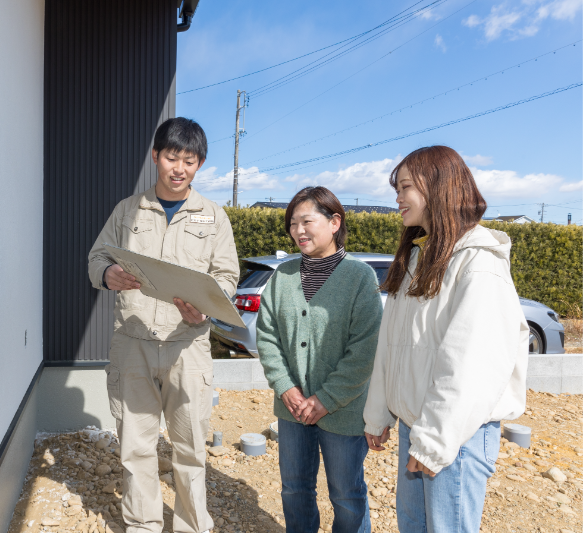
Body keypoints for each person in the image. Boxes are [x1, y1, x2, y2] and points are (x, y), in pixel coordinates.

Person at [363, 146, 528, 533]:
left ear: (437, 187)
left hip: (458, 436)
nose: (398, 198)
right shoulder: (422, 259)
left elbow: (472, 363)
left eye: (405, 187)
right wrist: (378, 413)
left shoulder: (478, 262)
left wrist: (435, 440)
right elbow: (391, 344)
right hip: (418, 427)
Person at [88, 117, 239, 533]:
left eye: (189, 160)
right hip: (132, 343)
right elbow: (97, 257)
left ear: (200, 164)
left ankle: (191, 526)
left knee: (190, 448)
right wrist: (106, 275)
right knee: (136, 447)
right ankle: (143, 525)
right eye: (172, 156)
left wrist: (207, 309)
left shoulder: (213, 216)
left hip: (188, 345)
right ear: (156, 156)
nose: (179, 168)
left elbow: (226, 276)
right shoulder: (127, 210)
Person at [257, 186, 383, 533]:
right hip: (292, 408)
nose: (298, 230)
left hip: (343, 411)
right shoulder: (281, 277)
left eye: (307, 221)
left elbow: (365, 350)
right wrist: (285, 387)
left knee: (346, 493)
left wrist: (325, 399)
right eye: (293, 223)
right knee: (295, 489)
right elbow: (267, 336)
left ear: (334, 222)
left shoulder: (360, 278)